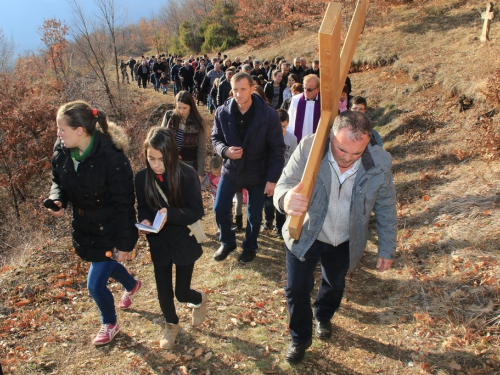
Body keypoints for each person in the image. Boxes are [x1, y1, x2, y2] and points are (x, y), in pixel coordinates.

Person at [274, 111, 397, 364]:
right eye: (341, 149)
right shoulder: (310, 148)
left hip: (345, 239)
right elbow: (283, 185)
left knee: (335, 284)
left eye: (356, 153)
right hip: (307, 232)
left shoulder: (379, 164)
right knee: (296, 289)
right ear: (331, 136)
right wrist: (286, 200)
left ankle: (323, 315)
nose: (347, 158)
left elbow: (386, 206)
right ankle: (299, 339)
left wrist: (387, 248)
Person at [46, 101, 140, 346]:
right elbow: (59, 179)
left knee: (95, 286)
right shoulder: (63, 148)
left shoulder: (112, 156)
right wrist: (57, 199)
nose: (58, 134)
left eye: (61, 129)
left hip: (109, 227)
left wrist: (125, 244)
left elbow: (125, 203)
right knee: (105, 259)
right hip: (85, 225)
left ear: (80, 130)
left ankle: (110, 323)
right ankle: (132, 284)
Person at [135, 127, 206, 350]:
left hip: (184, 240)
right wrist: (145, 221)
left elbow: (196, 211)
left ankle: (199, 300)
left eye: (161, 159)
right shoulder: (141, 178)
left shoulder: (187, 174)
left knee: (181, 292)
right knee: (163, 291)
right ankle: (171, 323)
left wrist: (170, 213)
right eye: (151, 158)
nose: (156, 164)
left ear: (172, 154)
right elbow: (143, 208)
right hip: (159, 242)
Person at [211, 73, 285, 263]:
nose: (238, 93)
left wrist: (272, 179)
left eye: (243, 89)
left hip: (257, 171)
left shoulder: (268, 114)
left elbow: (277, 149)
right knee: (219, 208)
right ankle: (227, 242)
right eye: (235, 89)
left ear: (253, 89)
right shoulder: (222, 111)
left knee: (254, 213)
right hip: (231, 169)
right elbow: (215, 138)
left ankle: (250, 246)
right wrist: (225, 151)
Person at [262, 109, 297, 237]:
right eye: (278, 126)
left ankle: (280, 226)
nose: (281, 129)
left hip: (285, 175)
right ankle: (268, 221)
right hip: (271, 173)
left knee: (281, 202)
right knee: (269, 200)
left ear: (288, 123)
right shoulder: (267, 136)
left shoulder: (292, 139)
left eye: (284, 126)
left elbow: (294, 157)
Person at [161, 91, 206, 178]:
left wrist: (200, 173)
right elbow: (161, 139)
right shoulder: (169, 116)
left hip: (189, 166)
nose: (181, 111)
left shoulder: (199, 122)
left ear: (191, 106)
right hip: (169, 162)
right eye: (179, 107)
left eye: (185, 108)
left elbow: (201, 150)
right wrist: (171, 152)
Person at [287, 74, 321, 143]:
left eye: (309, 89)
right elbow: (290, 122)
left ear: (318, 89)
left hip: (316, 143)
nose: (305, 92)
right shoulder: (296, 100)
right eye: (304, 88)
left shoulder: (323, 103)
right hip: (299, 142)